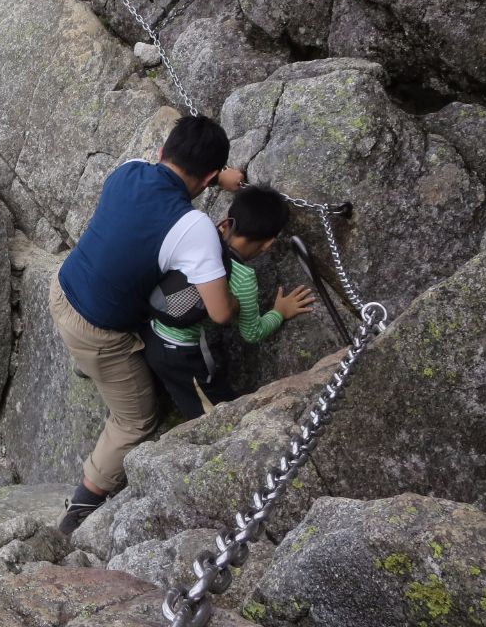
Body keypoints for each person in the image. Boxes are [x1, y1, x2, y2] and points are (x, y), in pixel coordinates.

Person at [49, 115, 245, 534]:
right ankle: (83, 503)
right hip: (97, 331)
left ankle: (90, 365)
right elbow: (221, 313)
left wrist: (215, 180)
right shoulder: (192, 228)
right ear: (210, 175)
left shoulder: (126, 172)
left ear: (162, 153)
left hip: (62, 289)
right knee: (136, 420)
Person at [140, 184, 316, 419]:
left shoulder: (201, 241)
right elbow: (252, 332)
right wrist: (280, 312)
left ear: (227, 221)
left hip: (151, 334)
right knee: (217, 416)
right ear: (268, 244)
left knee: (181, 393)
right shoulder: (243, 277)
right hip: (185, 357)